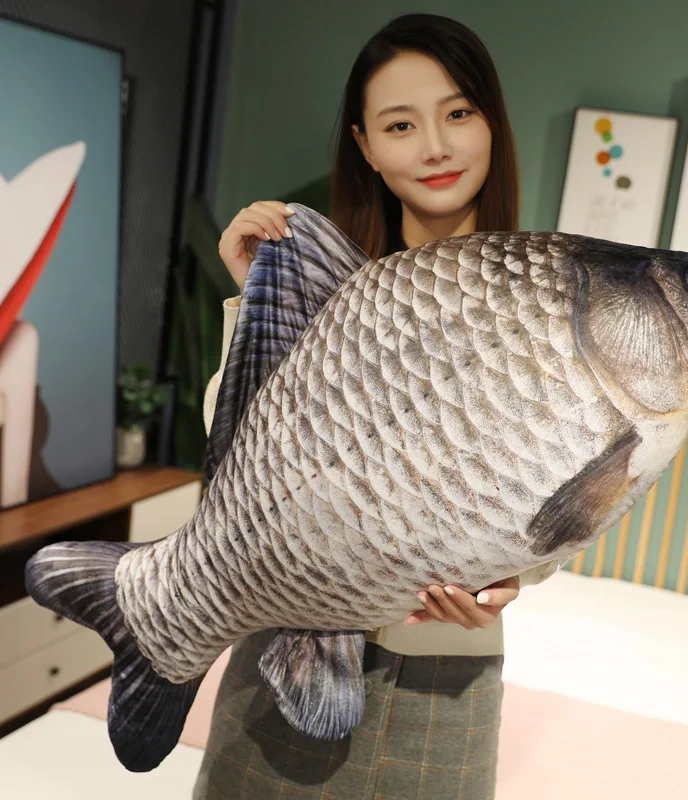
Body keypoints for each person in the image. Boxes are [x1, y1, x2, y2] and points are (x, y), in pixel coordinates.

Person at [194, 13, 558, 799]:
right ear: (365, 145)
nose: (435, 146)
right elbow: (236, 454)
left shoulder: (543, 299)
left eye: (458, 113)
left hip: (443, 672)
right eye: (401, 125)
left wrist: (519, 574)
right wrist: (253, 301)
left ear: (491, 121)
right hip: (284, 643)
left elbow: (572, 480)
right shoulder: (326, 284)